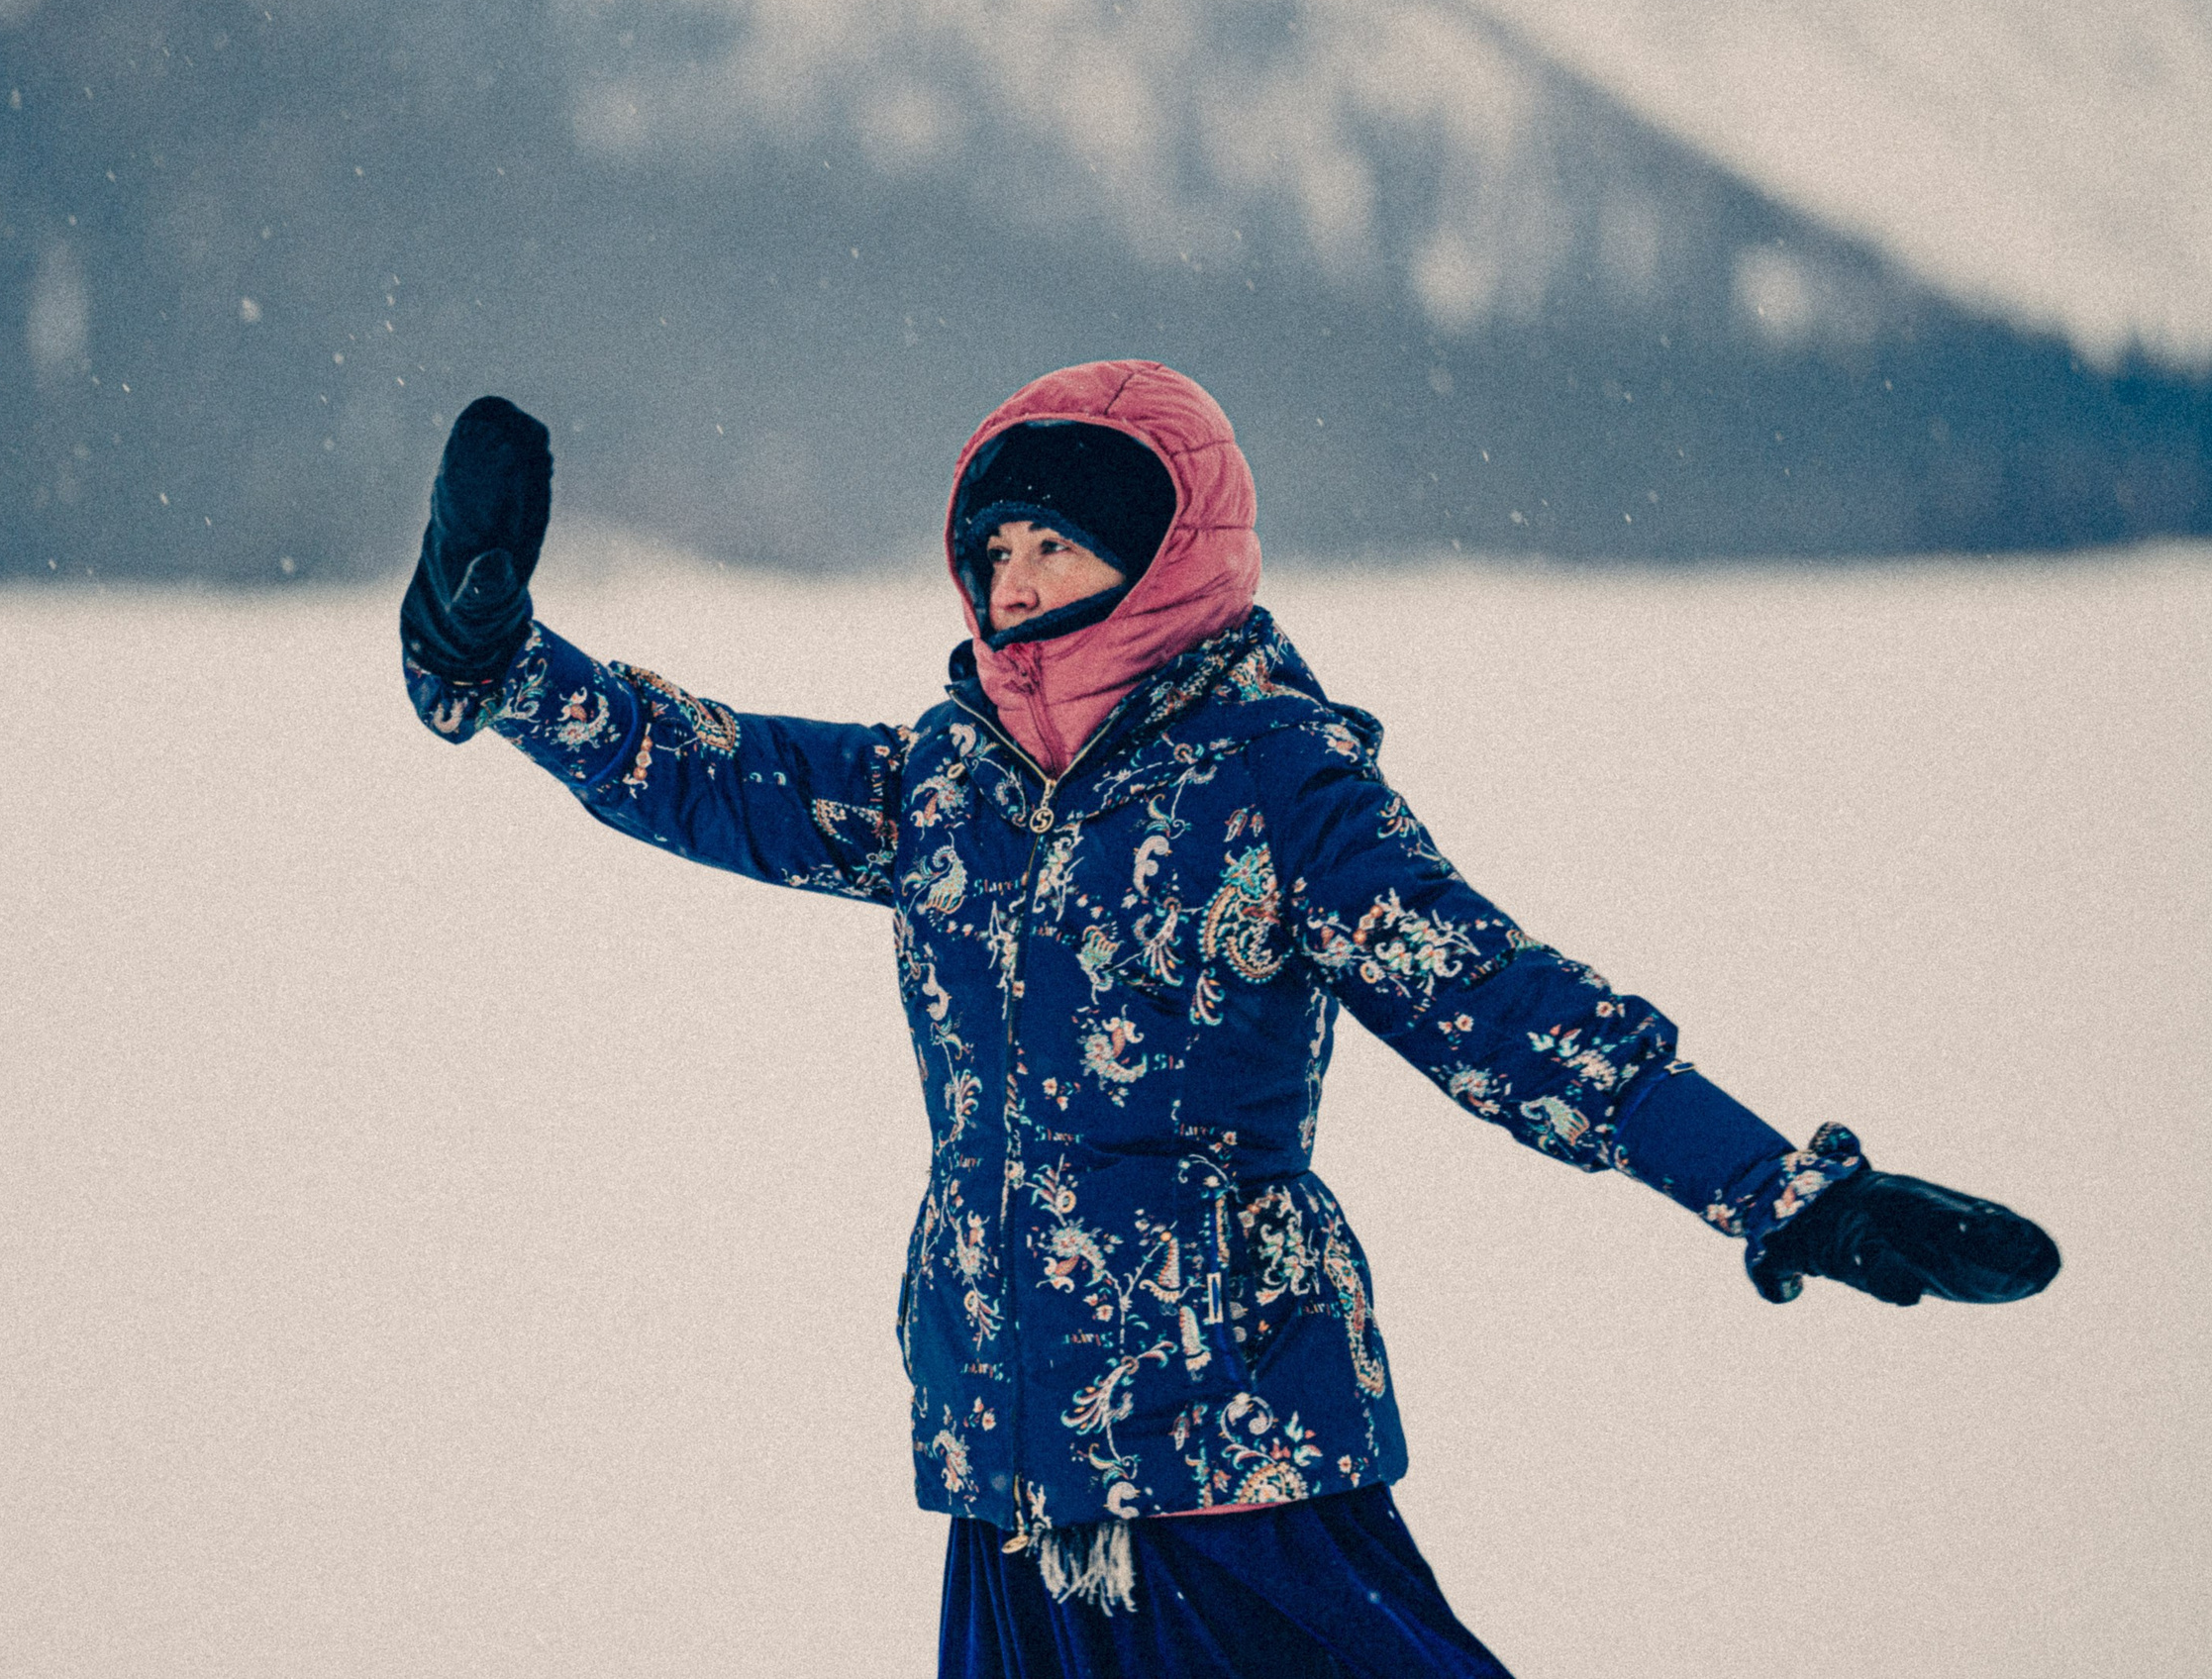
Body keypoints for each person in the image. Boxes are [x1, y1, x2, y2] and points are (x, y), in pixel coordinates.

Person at [398, 360, 2060, 1679]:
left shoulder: (1274, 784)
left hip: (1230, 1445)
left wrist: (1787, 1190)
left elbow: (1505, 1007)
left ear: (1169, 552)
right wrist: (505, 660)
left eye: (1062, 540)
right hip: (1012, 1454)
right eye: (997, 547)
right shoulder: (948, 783)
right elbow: (713, 771)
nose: (1021, 577)